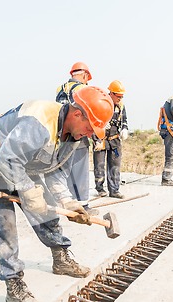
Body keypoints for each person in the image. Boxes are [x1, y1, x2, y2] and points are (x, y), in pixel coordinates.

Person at [0, 86, 114, 302]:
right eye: (90, 127)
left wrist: (68, 202)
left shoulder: (74, 135)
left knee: (46, 211)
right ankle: (14, 287)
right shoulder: (40, 122)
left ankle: (61, 258)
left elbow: (55, 170)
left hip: (25, 163)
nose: (89, 133)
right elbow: (8, 158)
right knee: (3, 225)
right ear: (78, 115)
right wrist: (27, 190)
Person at [55, 62, 98, 215]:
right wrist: (96, 139)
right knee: (80, 171)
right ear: (85, 75)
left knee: (65, 170)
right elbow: (90, 115)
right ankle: (83, 206)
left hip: (63, 134)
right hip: (79, 135)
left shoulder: (60, 89)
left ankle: (67, 202)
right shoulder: (83, 89)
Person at [93, 80, 129, 199]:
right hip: (101, 139)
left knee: (115, 166)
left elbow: (124, 120)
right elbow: (93, 121)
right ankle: (100, 189)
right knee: (99, 165)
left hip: (115, 140)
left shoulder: (121, 106)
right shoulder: (101, 103)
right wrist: (101, 128)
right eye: (118, 96)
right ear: (111, 93)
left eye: (122, 96)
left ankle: (114, 190)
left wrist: (124, 129)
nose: (120, 98)